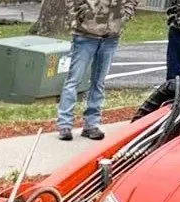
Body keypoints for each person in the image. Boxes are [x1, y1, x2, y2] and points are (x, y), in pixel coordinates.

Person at [57, 0, 138, 141]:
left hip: (111, 36)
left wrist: (127, 12)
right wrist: (82, 12)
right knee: (74, 80)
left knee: (99, 82)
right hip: (85, 34)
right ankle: (65, 125)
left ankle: (91, 124)